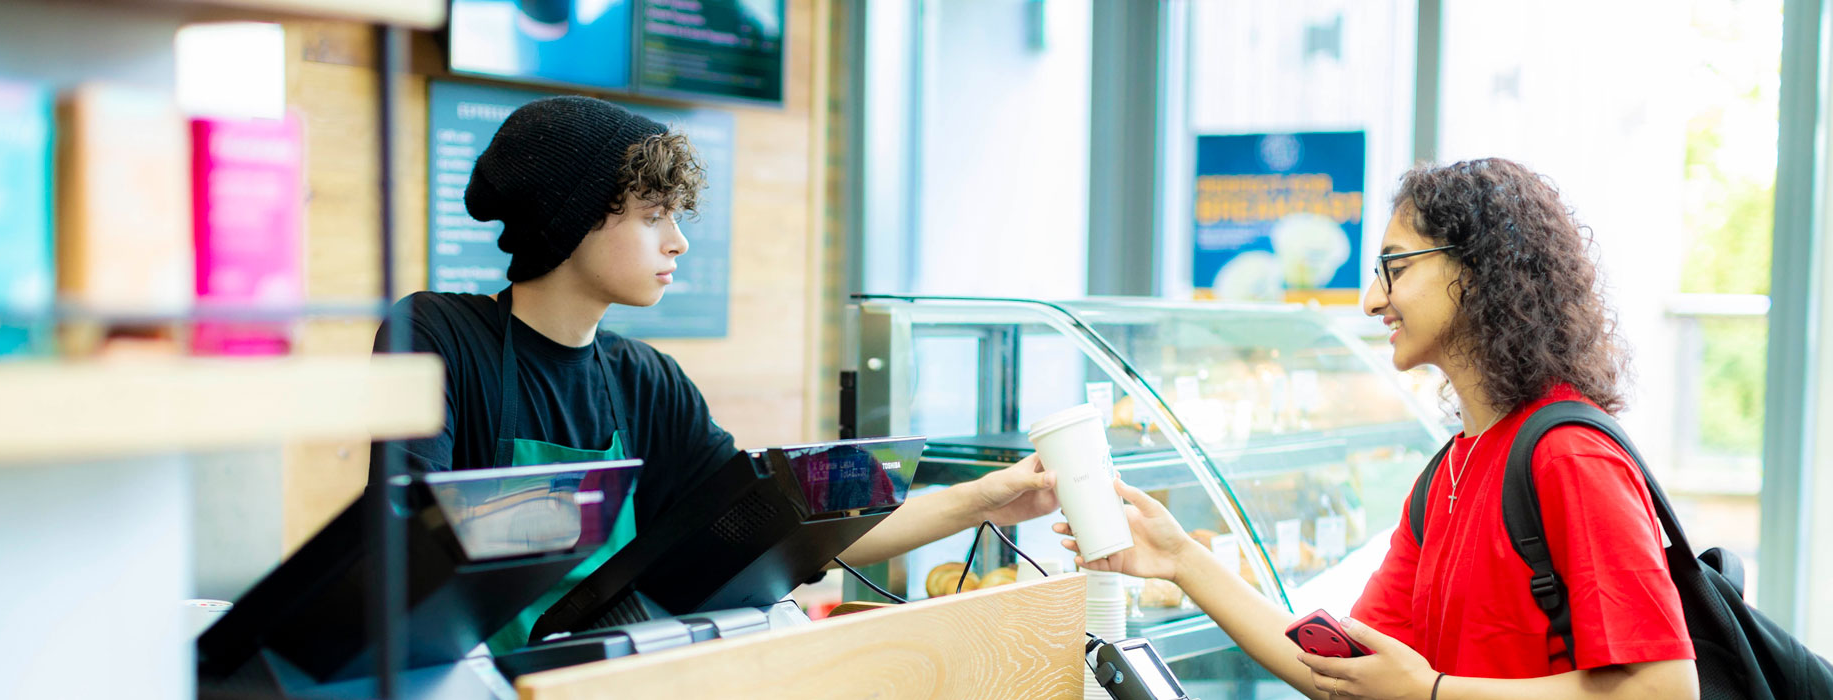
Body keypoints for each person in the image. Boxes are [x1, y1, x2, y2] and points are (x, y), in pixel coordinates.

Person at [371, 95, 1057, 653]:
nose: (679, 240)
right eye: (652, 215)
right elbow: (405, 558)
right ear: (569, 221)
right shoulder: (437, 338)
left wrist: (987, 497)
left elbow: (792, 524)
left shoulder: (646, 381)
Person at [1056, 158, 1699, 700]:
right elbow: (1340, 674)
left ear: (1474, 270)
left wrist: (1431, 693)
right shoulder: (1449, 470)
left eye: (1396, 266)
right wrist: (1179, 560)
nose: (1371, 299)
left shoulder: (1569, 455)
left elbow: (1665, 688)